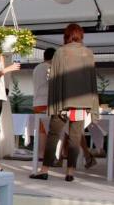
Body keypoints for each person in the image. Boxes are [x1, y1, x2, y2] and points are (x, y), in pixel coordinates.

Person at [30, 23, 98, 182]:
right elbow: (91, 80)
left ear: (66, 36)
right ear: (81, 35)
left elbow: (55, 79)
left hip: (62, 102)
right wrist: (93, 105)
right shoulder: (88, 53)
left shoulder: (60, 52)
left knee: (53, 135)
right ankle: (70, 172)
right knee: (75, 138)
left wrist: (53, 104)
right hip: (82, 101)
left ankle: (44, 170)